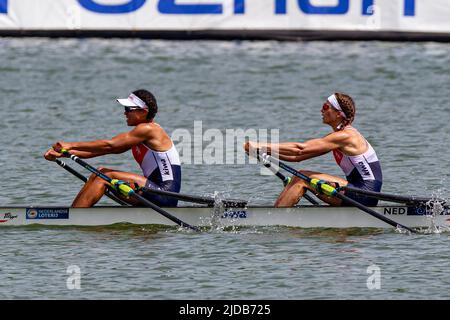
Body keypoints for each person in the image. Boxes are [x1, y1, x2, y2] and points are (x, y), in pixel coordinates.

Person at [44, 89, 181, 208]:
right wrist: (64, 154)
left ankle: (73, 217)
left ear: (143, 112)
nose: (125, 113)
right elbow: (106, 150)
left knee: (104, 175)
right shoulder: (140, 134)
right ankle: (76, 213)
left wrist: (71, 144)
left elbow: (110, 144)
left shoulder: (148, 129)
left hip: (164, 193)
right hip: (154, 191)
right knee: (99, 173)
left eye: (128, 109)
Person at [244, 93, 382, 207]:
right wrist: (265, 152)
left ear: (338, 114)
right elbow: (298, 157)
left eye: (325, 106)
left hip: (364, 193)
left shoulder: (346, 136)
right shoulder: (337, 137)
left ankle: (273, 219)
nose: (321, 110)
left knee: (301, 178)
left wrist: (259, 145)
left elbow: (300, 149)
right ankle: (280, 212)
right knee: (300, 176)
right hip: (359, 191)